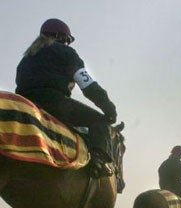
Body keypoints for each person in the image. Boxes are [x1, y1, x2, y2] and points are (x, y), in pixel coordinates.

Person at [15, 18, 117, 178]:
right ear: (62, 37)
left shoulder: (25, 59)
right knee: (101, 122)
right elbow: (87, 84)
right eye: (68, 40)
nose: (68, 44)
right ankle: (98, 163)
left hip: (23, 104)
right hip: (54, 103)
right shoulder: (65, 52)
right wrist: (108, 107)